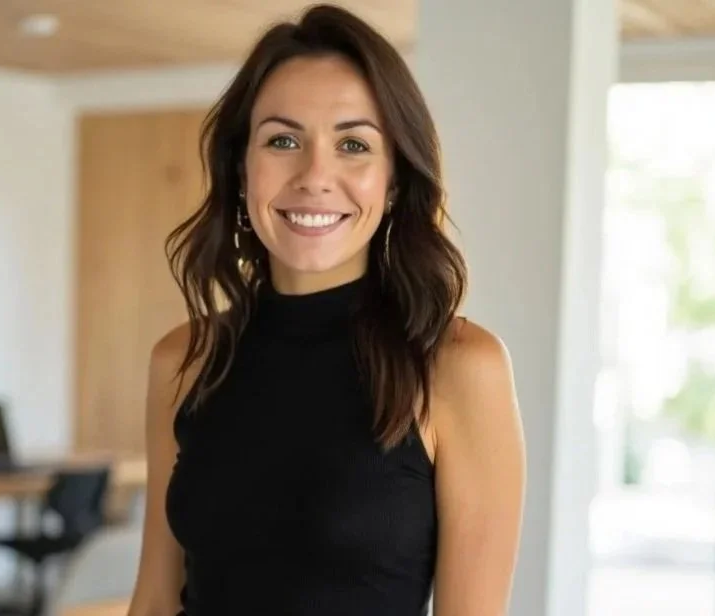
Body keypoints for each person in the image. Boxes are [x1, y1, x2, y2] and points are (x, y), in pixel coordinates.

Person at [128, 5, 526, 616]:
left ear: (393, 180)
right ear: (241, 169)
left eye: (353, 144)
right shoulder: (184, 358)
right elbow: (154, 603)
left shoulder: (457, 366)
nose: (315, 175)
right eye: (283, 140)